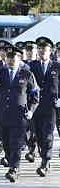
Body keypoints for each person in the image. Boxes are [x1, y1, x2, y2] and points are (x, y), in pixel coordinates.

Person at [0, 44, 39, 182]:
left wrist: (31, 110)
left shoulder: (27, 74)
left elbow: (35, 95)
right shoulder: (0, 72)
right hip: (3, 115)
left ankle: (14, 169)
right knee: (6, 143)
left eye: (14, 57)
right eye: (9, 57)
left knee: (16, 143)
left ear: (19, 58)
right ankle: (11, 163)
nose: (11, 60)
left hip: (19, 116)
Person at [30, 37, 59, 177]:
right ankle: (44, 155)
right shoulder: (31, 66)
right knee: (39, 135)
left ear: (50, 51)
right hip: (35, 107)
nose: (42, 52)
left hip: (51, 106)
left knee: (48, 134)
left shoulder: (57, 66)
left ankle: (45, 162)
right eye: (40, 49)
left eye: (45, 50)